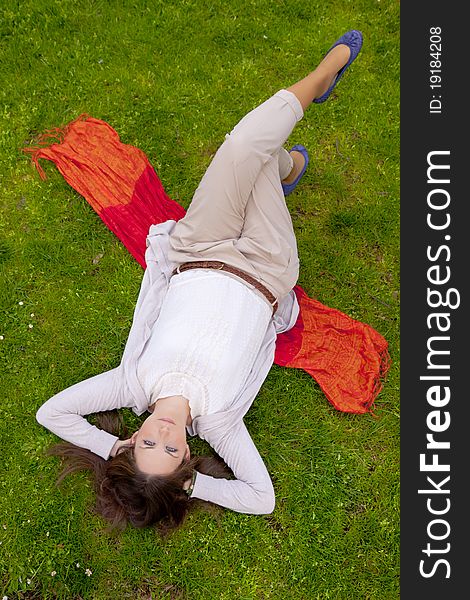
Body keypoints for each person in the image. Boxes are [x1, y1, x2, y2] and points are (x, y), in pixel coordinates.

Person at [36, 30, 363, 533]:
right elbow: (261, 499)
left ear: (132, 439)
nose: (162, 433)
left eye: (146, 443)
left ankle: (309, 103)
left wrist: (111, 448)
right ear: (187, 455)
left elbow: (51, 413)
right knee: (248, 154)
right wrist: (190, 486)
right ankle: (288, 154)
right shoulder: (222, 423)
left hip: (198, 246)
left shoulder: (129, 384)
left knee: (242, 147)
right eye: (170, 450)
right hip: (264, 265)